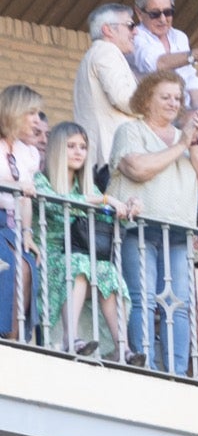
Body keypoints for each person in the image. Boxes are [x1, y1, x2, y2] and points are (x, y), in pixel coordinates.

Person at [108, 70, 198, 373]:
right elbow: (137, 168)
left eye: (177, 98)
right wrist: (180, 145)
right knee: (143, 300)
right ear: (146, 99)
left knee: (179, 305)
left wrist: (193, 144)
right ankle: (143, 365)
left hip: (178, 233)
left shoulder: (186, 139)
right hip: (138, 228)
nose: (173, 103)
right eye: (165, 96)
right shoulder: (132, 131)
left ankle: (176, 372)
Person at [32, 121, 133, 358]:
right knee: (78, 264)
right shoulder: (40, 179)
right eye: (71, 146)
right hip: (50, 257)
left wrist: (127, 210)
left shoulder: (87, 188)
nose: (79, 152)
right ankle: (70, 339)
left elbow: (108, 223)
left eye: (83, 147)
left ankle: (124, 349)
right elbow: (57, 202)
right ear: (56, 149)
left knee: (106, 270)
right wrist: (106, 201)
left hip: (82, 259)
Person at [130, 0, 198, 115]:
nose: (163, 19)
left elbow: (190, 78)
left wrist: (197, 109)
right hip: (148, 113)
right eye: (155, 14)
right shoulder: (135, 36)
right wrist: (196, 54)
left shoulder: (180, 37)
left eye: (168, 12)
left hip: (179, 111)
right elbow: (157, 63)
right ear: (139, 14)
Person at [72, 3, 140, 186]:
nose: (136, 32)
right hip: (111, 158)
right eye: (130, 25)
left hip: (100, 159)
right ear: (108, 30)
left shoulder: (95, 54)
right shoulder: (107, 51)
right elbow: (123, 98)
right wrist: (153, 108)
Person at [0, 85, 44, 342]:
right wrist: (16, 187)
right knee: (10, 268)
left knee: (27, 267)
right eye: (32, 113)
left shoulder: (28, 153)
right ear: (14, 111)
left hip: (11, 224)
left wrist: (27, 232)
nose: (38, 120)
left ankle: (14, 340)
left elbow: (26, 198)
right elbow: (19, 188)